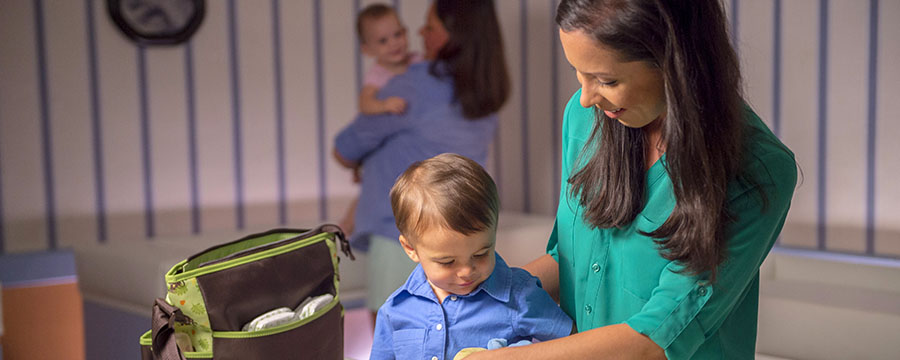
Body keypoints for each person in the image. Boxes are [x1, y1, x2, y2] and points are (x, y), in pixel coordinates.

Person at [466, 0, 798, 359]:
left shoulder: (756, 171)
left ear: (673, 62)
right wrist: (475, 295)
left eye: (606, 80)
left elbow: (654, 339)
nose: (586, 96)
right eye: (578, 72)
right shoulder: (586, 118)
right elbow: (570, 262)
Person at [333, 0, 509, 325]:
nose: (418, 34)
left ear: (453, 35)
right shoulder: (487, 93)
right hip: (465, 236)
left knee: (396, 339)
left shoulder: (413, 85)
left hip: (404, 232)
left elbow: (344, 149)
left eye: (429, 27)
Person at [370, 153, 573, 360]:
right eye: (447, 262)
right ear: (410, 249)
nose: (467, 271)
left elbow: (575, 346)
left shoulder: (520, 296)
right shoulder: (394, 311)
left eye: (481, 253)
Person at [339, 3, 423, 236]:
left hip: (401, 146)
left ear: (406, 33)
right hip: (379, 144)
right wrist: (384, 105)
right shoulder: (379, 74)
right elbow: (364, 103)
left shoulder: (418, 62)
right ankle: (347, 224)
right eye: (383, 41)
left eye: (397, 34)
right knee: (371, 187)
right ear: (367, 49)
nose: (394, 43)